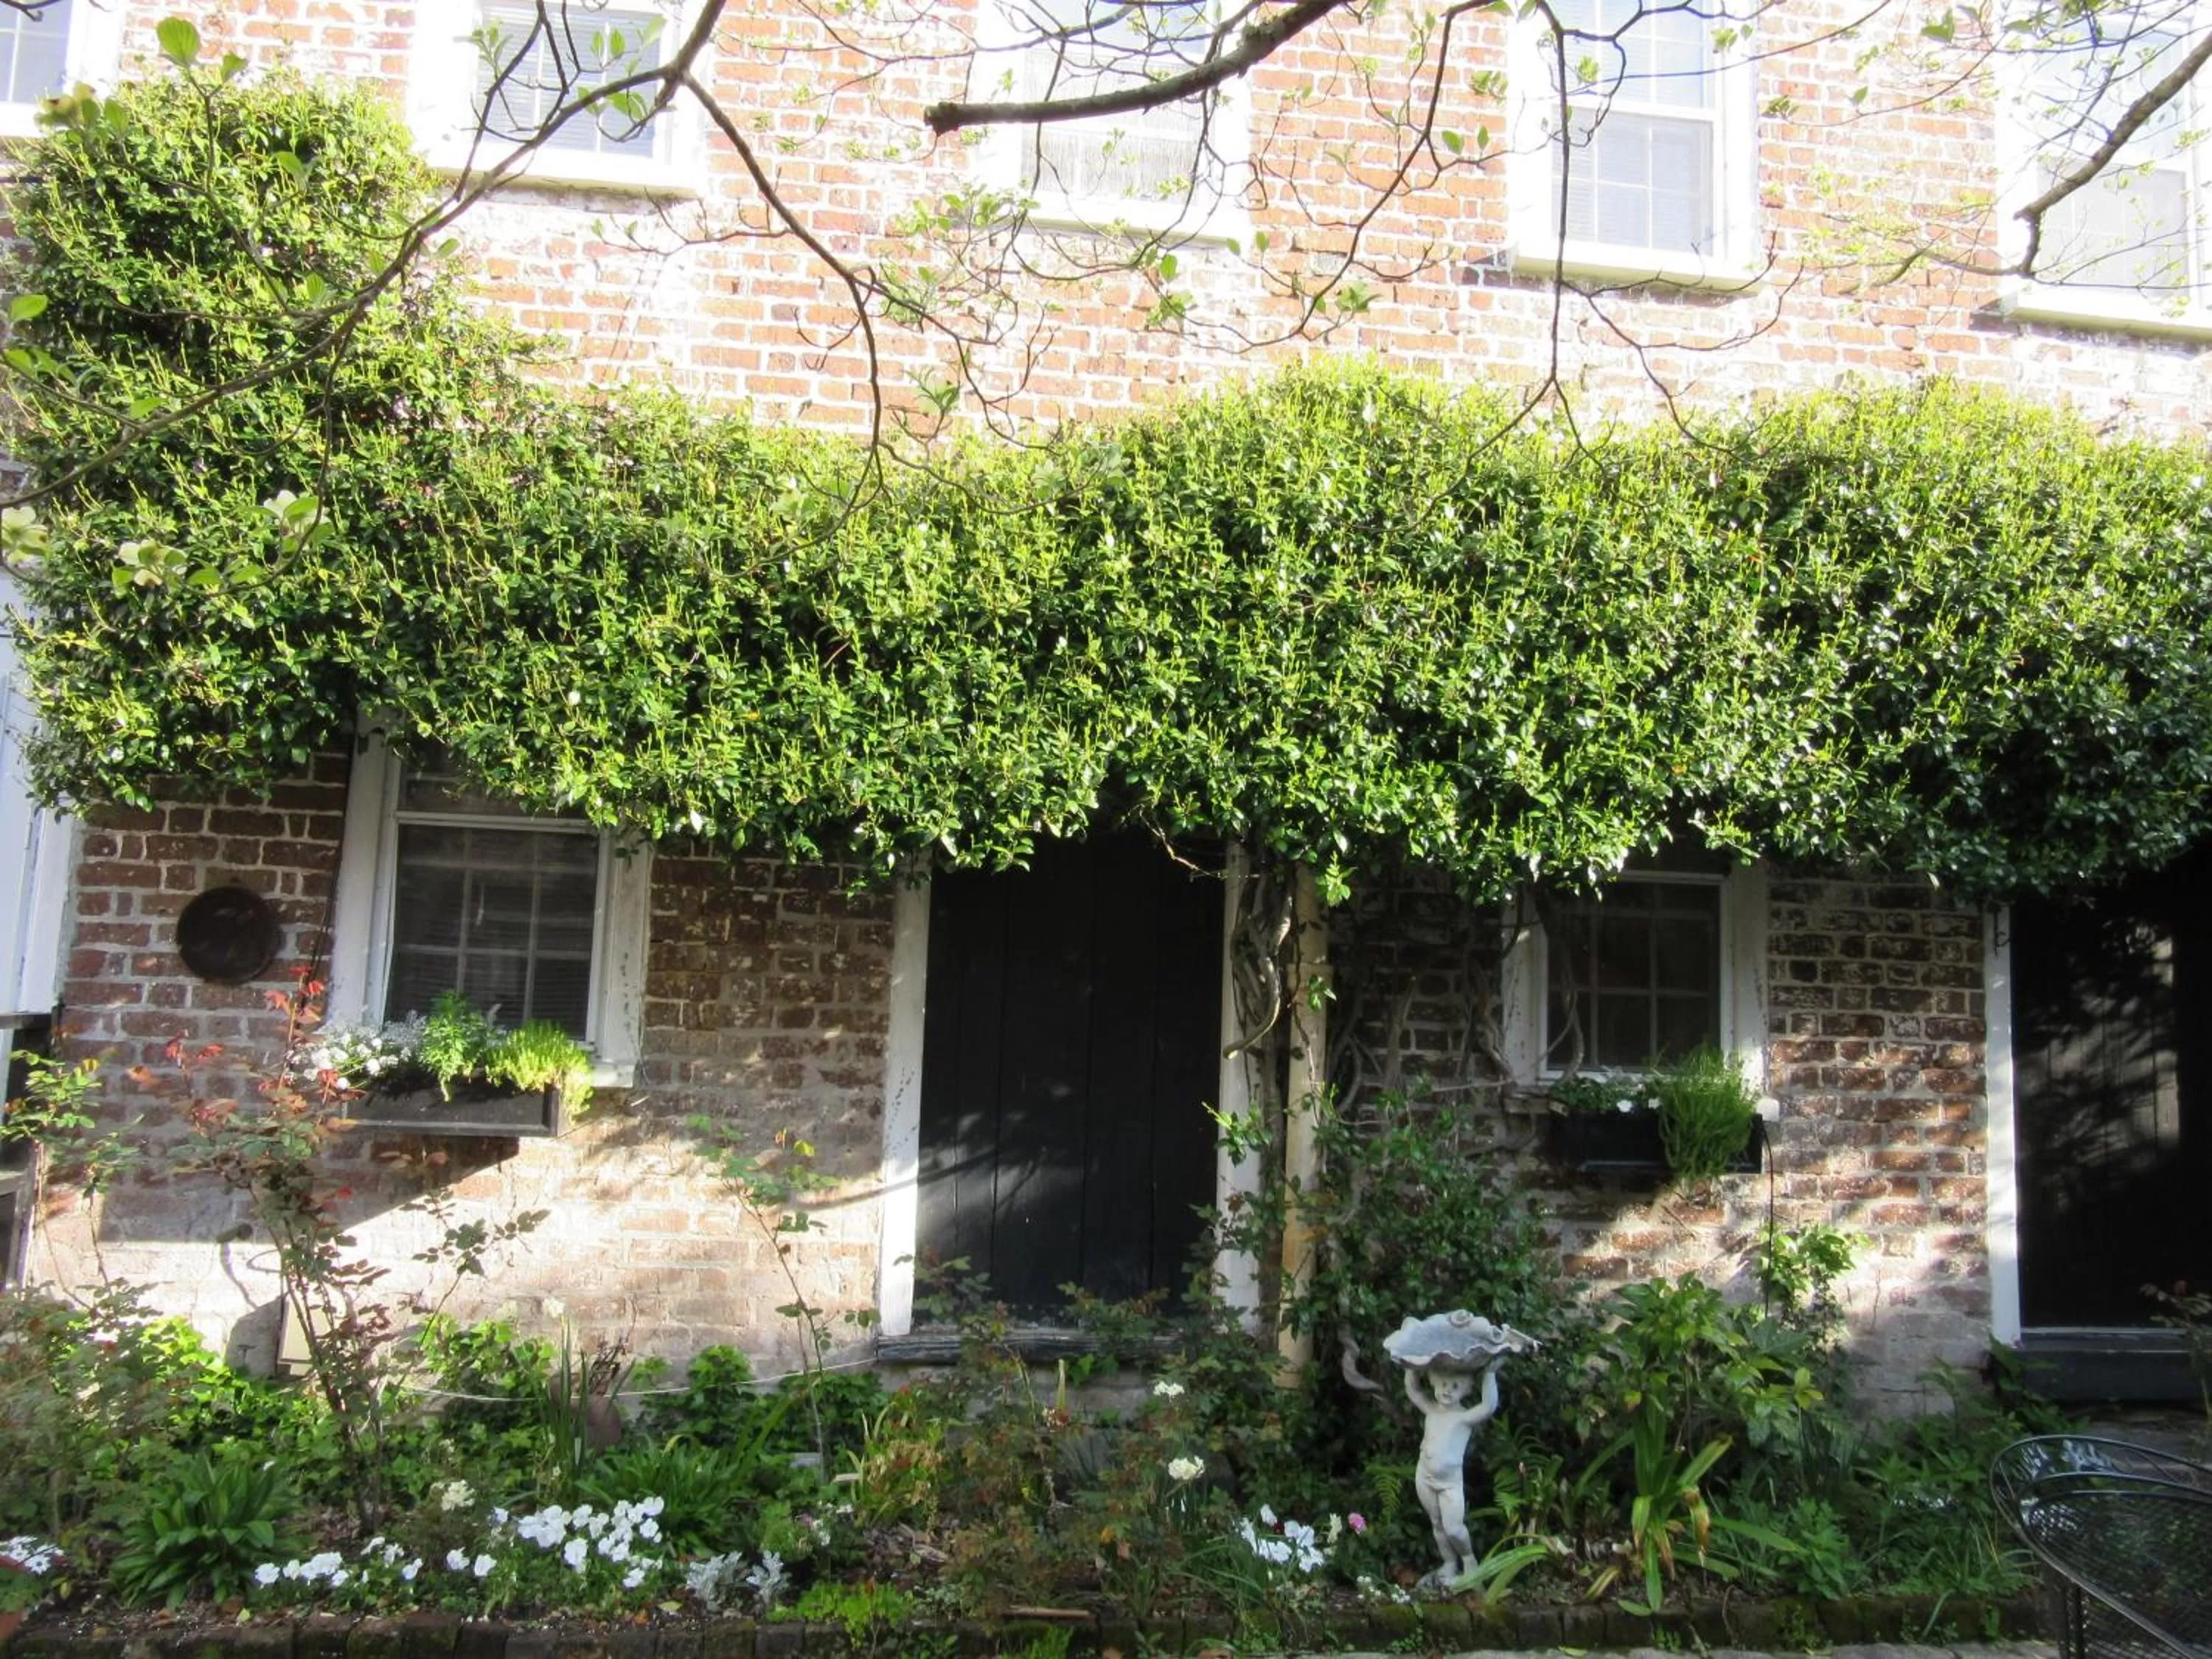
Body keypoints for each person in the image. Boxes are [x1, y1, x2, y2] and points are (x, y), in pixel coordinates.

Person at [1403, 1357, 1504, 1585]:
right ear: (1434, 1383)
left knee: (1454, 1528)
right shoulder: (1431, 1410)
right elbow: (1413, 1391)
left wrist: (1490, 1374)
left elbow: (1488, 1406)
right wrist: (1411, 1365)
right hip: (1425, 1475)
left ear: (1466, 1388)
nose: (1447, 1390)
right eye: (1442, 1384)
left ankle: (1468, 1559)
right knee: (1437, 1523)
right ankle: (1449, 1564)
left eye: (1455, 1386)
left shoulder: (1464, 1417)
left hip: (1450, 1483)